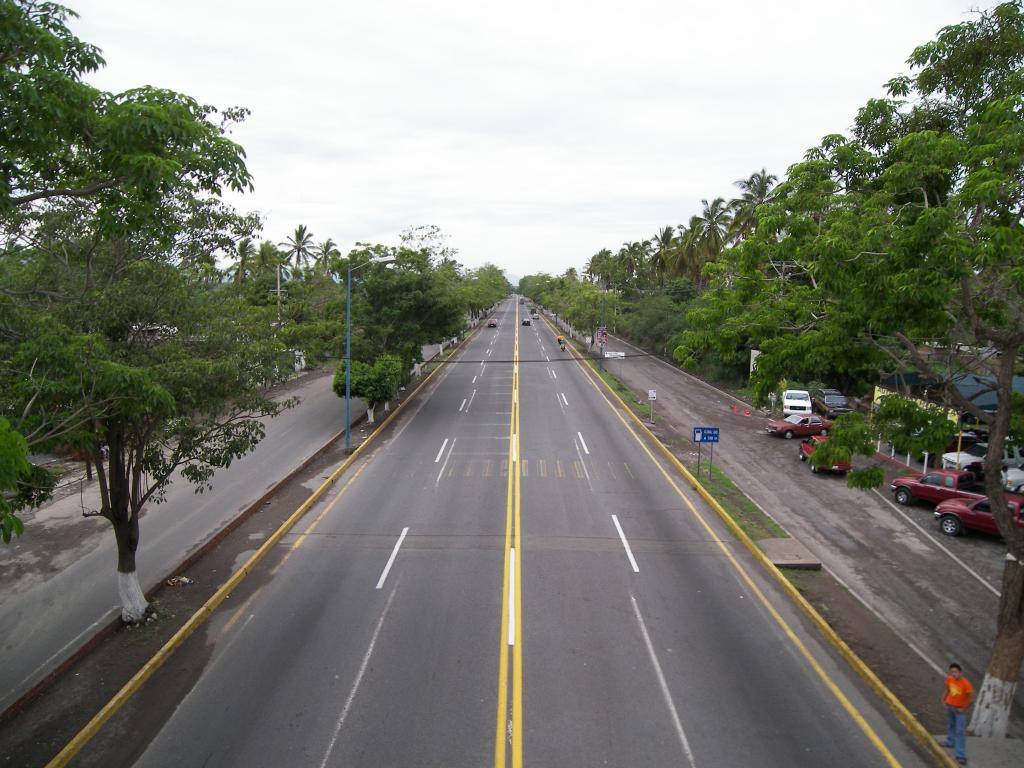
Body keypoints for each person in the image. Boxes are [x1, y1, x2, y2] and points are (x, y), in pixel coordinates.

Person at [942, 662, 973, 764]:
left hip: (959, 710)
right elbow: (948, 689)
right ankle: (950, 741)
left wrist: (964, 709)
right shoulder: (950, 679)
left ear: (960, 672)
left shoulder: (966, 684)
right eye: (951, 672)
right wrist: (944, 699)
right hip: (950, 706)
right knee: (951, 725)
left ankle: (960, 755)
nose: (953, 674)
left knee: (960, 732)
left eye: (955, 672)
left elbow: (971, 699)